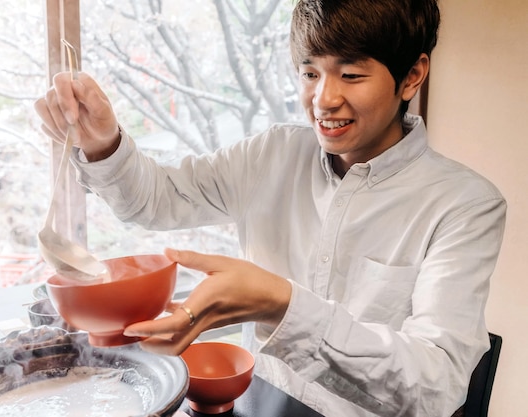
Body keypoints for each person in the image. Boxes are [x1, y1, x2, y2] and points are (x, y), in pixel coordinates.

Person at [34, 0, 506, 415]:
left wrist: (282, 303)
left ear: (413, 75)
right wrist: (102, 143)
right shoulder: (273, 154)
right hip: (259, 400)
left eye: (352, 74)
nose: (324, 98)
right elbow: (158, 200)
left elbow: (436, 386)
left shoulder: (465, 205)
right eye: (309, 72)